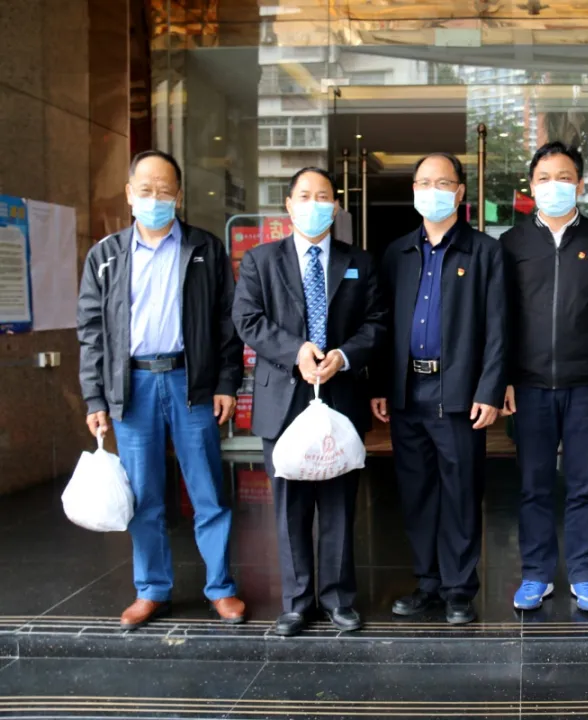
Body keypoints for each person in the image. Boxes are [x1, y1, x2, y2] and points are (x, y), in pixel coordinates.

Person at [76, 150, 245, 629]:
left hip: (190, 381)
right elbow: (91, 331)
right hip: (132, 386)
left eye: (165, 190)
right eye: (145, 190)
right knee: (144, 495)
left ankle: (221, 588)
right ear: (129, 194)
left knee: (208, 490)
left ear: (179, 196)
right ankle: (151, 588)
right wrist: (95, 397)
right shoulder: (106, 256)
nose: (155, 199)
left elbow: (227, 323)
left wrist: (226, 382)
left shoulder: (204, 249)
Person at [232, 167, 385, 637]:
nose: (314, 204)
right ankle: (297, 602)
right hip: (283, 396)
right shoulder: (260, 260)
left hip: (340, 392)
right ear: (288, 204)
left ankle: (338, 599)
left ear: (336, 206)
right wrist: (296, 351)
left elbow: (377, 322)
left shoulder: (359, 262)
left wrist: (343, 355)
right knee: (289, 507)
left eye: (323, 197)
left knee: (339, 504)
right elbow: (248, 318)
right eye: (305, 195)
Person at [371, 153, 506, 625]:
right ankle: (427, 583)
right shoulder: (397, 253)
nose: (433, 191)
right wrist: (382, 385)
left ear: (460, 191)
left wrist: (489, 390)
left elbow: (498, 328)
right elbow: (383, 325)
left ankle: (459, 589)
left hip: (459, 394)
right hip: (409, 391)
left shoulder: (485, 252)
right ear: (413, 191)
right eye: (424, 183)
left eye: (443, 183)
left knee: (461, 493)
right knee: (418, 493)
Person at [500, 142, 588, 613]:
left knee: (584, 484)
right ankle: (536, 573)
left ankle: (583, 571)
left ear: (579, 184)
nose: (553, 185)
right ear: (531, 185)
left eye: (563, 177)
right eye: (544, 177)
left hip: (587, 386)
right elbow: (500, 321)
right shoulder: (512, 244)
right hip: (528, 386)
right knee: (534, 485)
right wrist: (503, 380)